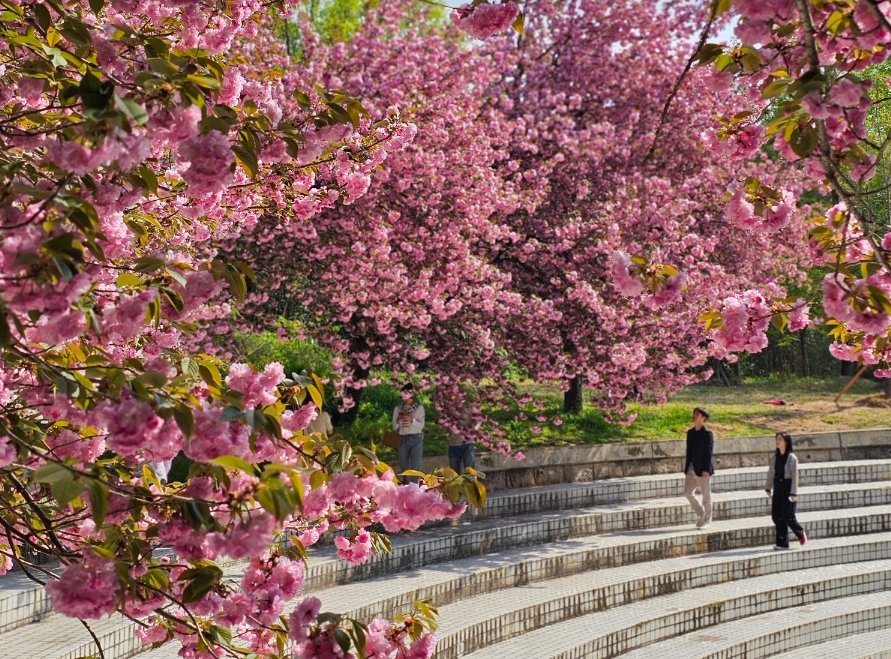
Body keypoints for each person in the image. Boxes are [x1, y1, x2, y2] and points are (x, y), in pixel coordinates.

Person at [766, 432, 807, 550]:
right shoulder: (775, 457)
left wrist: (794, 493)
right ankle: (782, 543)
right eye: (776, 439)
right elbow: (771, 473)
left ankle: (800, 532)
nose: (777, 441)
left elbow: (794, 476)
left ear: (786, 442)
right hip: (778, 487)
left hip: (787, 488)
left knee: (788, 515)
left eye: (780, 439)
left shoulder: (791, 458)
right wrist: (768, 487)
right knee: (776, 516)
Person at [684, 406, 714, 529]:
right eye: (694, 413)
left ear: (703, 418)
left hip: (703, 469)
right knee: (687, 492)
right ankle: (702, 514)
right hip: (691, 468)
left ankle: (706, 520)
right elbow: (689, 451)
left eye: (697, 414)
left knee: (706, 496)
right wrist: (687, 467)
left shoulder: (707, 433)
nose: (694, 415)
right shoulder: (690, 433)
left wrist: (706, 469)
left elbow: (708, 452)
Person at [392, 383, 425, 483]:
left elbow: (421, 426)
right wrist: (398, 420)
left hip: (416, 438)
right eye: (403, 394)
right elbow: (394, 427)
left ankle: (415, 488)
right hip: (402, 438)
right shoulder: (398, 409)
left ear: (412, 395)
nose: (405, 398)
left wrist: (411, 420)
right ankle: (406, 487)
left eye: (407, 394)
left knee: (415, 467)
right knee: (404, 466)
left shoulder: (419, 408)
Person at [447, 394, 479, 474]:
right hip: (453, 443)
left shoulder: (468, 406)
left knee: (470, 472)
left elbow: (478, 419)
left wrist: (472, 430)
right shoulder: (449, 408)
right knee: (454, 474)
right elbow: (446, 426)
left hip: (467, 443)